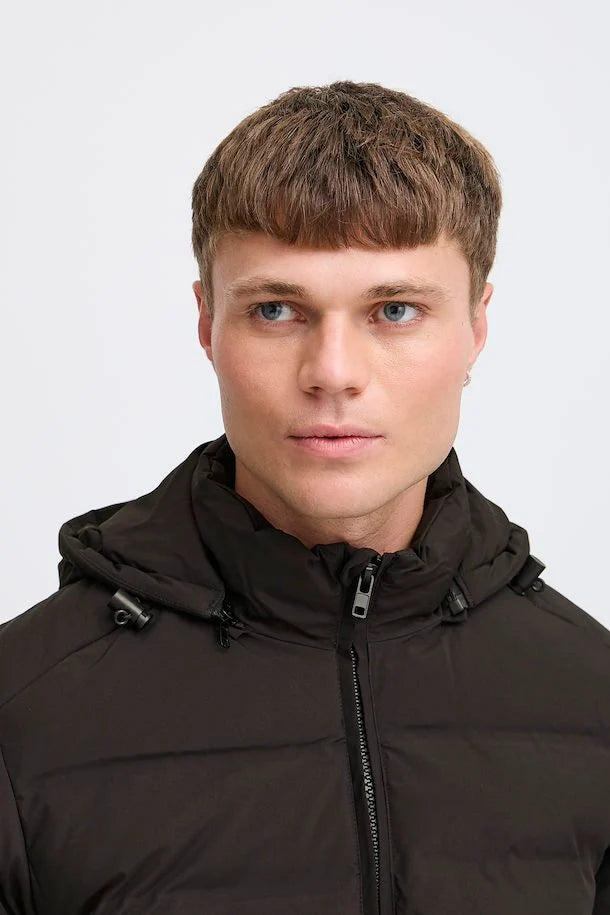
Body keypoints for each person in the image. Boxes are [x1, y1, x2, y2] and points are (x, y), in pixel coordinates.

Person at [0, 80, 608, 915]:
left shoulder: (592, 697)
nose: (333, 372)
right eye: (277, 309)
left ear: (476, 327)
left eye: (395, 309)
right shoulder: (23, 709)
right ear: (208, 323)